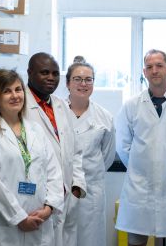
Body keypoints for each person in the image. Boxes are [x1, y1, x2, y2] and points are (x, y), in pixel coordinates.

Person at [0, 69, 64, 246]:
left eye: (18, 89)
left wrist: (49, 208)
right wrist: (20, 218)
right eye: (6, 91)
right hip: (8, 227)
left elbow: (54, 172)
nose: (15, 95)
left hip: (40, 223)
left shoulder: (35, 129)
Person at [115, 49, 166, 246]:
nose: (154, 70)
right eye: (149, 67)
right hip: (140, 187)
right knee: (136, 240)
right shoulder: (131, 105)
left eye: (159, 65)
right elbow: (123, 145)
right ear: (144, 72)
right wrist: (141, 167)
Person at [25, 52, 86, 246]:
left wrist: (76, 185)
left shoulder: (61, 106)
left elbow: (75, 150)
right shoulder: (21, 105)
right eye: (44, 72)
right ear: (30, 73)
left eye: (55, 73)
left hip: (66, 194)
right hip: (36, 196)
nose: (51, 78)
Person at [65, 59, 116, 245]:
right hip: (60, 190)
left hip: (91, 192)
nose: (83, 84)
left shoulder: (104, 117)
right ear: (68, 83)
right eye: (77, 79)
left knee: (91, 239)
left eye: (89, 79)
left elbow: (108, 156)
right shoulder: (55, 113)